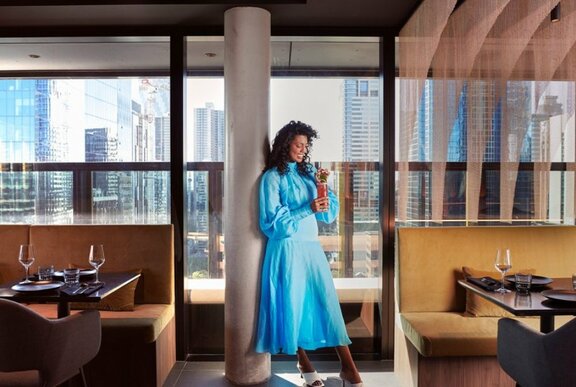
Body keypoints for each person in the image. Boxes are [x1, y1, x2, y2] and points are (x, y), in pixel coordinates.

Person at [255, 121, 363, 387]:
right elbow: (272, 225)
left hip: (311, 248)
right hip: (287, 249)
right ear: (285, 145)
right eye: (298, 145)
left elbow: (327, 214)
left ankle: (349, 368)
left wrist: (323, 185)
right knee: (293, 305)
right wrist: (308, 208)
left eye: (306, 146)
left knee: (327, 304)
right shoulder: (271, 178)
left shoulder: (307, 175)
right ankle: (304, 363)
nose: (303, 150)